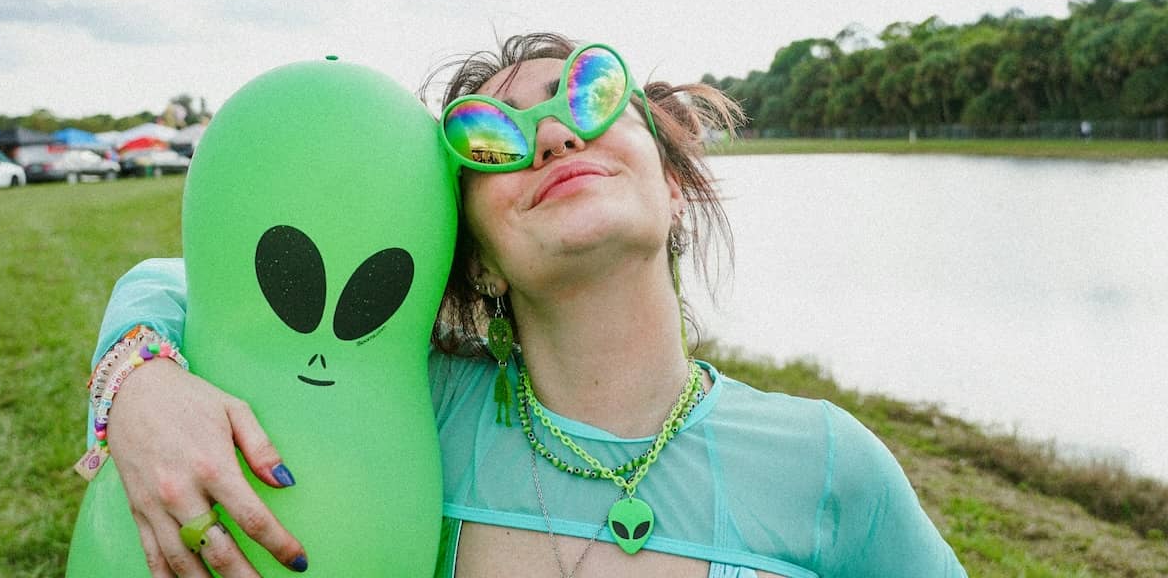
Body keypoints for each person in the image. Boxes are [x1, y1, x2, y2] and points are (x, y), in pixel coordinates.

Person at [87, 33, 967, 577]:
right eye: (490, 138)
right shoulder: (417, 416)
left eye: (588, 94)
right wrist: (139, 382)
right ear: (477, 264)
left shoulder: (826, 467)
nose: (551, 134)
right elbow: (188, 284)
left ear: (674, 183)